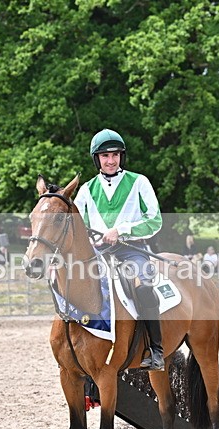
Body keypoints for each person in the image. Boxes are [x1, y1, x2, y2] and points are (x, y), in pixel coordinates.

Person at [74, 128, 164, 371]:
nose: (111, 160)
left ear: (121, 156)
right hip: (99, 254)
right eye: (105, 156)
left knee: (142, 287)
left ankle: (156, 350)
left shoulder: (139, 182)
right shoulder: (85, 191)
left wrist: (121, 230)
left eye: (115, 155)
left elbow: (155, 221)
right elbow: (75, 229)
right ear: (97, 159)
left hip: (131, 250)